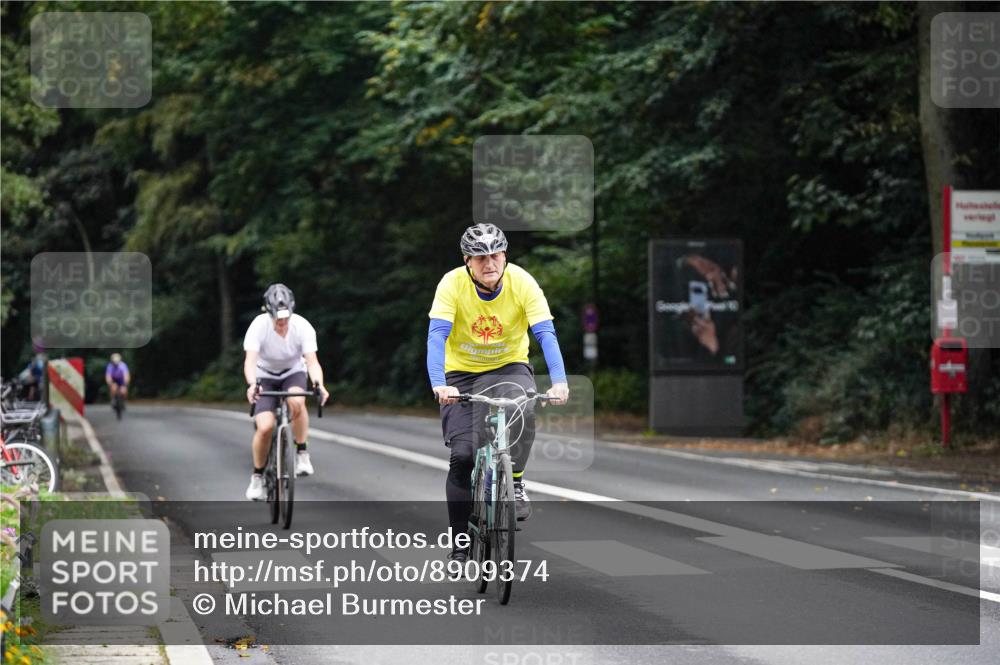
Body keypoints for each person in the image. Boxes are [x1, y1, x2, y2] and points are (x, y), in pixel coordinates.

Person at [427, 223, 569, 565]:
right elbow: (436, 336)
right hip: (460, 374)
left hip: (508, 367)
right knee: (463, 457)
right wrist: (439, 383)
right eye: (480, 257)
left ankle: (515, 481)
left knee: (526, 407)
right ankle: (460, 543)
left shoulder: (522, 282)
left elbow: (545, 334)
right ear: (468, 262)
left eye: (495, 255)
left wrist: (560, 381)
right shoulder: (452, 284)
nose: (489, 262)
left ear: (504, 256)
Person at [243, 283, 329, 501]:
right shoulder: (258, 326)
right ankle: (257, 477)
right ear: (268, 313)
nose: (282, 323)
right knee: (264, 427)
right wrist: (252, 384)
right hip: (265, 375)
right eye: (277, 320)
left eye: (285, 319)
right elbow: (250, 362)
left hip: (293, 371)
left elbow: (312, 362)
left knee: (297, 402)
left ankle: (301, 452)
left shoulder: (303, 327)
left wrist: (319, 384)